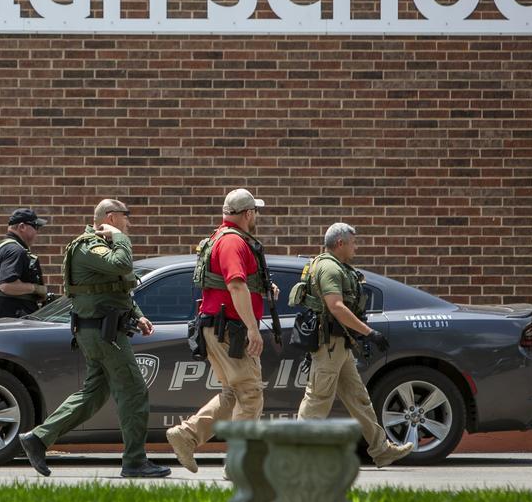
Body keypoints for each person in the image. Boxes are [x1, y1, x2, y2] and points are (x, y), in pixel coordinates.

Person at [18, 199, 170, 478]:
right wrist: (121, 239)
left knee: (93, 394)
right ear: (111, 218)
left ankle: (38, 439)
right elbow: (121, 264)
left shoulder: (103, 245)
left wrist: (137, 314)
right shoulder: (89, 246)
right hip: (103, 332)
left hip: (101, 330)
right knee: (134, 391)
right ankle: (135, 461)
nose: (129, 224)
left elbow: (115, 287)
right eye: (126, 218)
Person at [165, 188, 277, 473]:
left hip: (218, 326)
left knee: (233, 394)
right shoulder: (233, 243)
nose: (258, 218)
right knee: (250, 394)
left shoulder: (221, 238)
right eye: (256, 212)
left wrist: (262, 290)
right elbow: (235, 284)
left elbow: (238, 284)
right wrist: (253, 329)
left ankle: (187, 435)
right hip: (231, 330)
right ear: (248, 214)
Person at [293, 223, 414, 467]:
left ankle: (381, 449)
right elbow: (336, 306)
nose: (355, 247)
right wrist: (369, 333)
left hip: (339, 345)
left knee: (358, 398)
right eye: (352, 242)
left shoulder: (335, 266)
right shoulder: (328, 268)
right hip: (329, 346)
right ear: (340, 243)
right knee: (317, 400)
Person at [0, 208, 49, 319]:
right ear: (22, 227)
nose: (37, 232)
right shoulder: (16, 251)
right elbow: (7, 286)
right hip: (12, 323)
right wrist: (35, 288)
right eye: (35, 227)